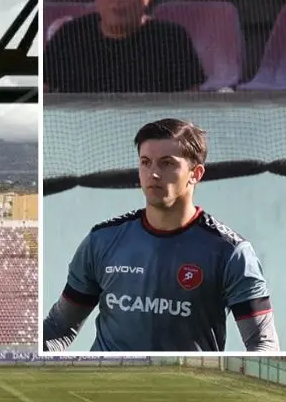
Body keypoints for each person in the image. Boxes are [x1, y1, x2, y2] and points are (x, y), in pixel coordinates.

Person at [42, 118, 279, 352]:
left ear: (195, 174)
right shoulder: (101, 241)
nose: (153, 174)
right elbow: (58, 327)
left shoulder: (232, 252)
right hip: (106, 385)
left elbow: (263, 343)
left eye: (167, 163)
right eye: (146, 162)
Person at [43, 0, 206, 93]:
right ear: (98, 0)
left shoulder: (172, 37)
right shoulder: (70, 34)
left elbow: (189, 96)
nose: (119, 0)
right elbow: (44, 87)